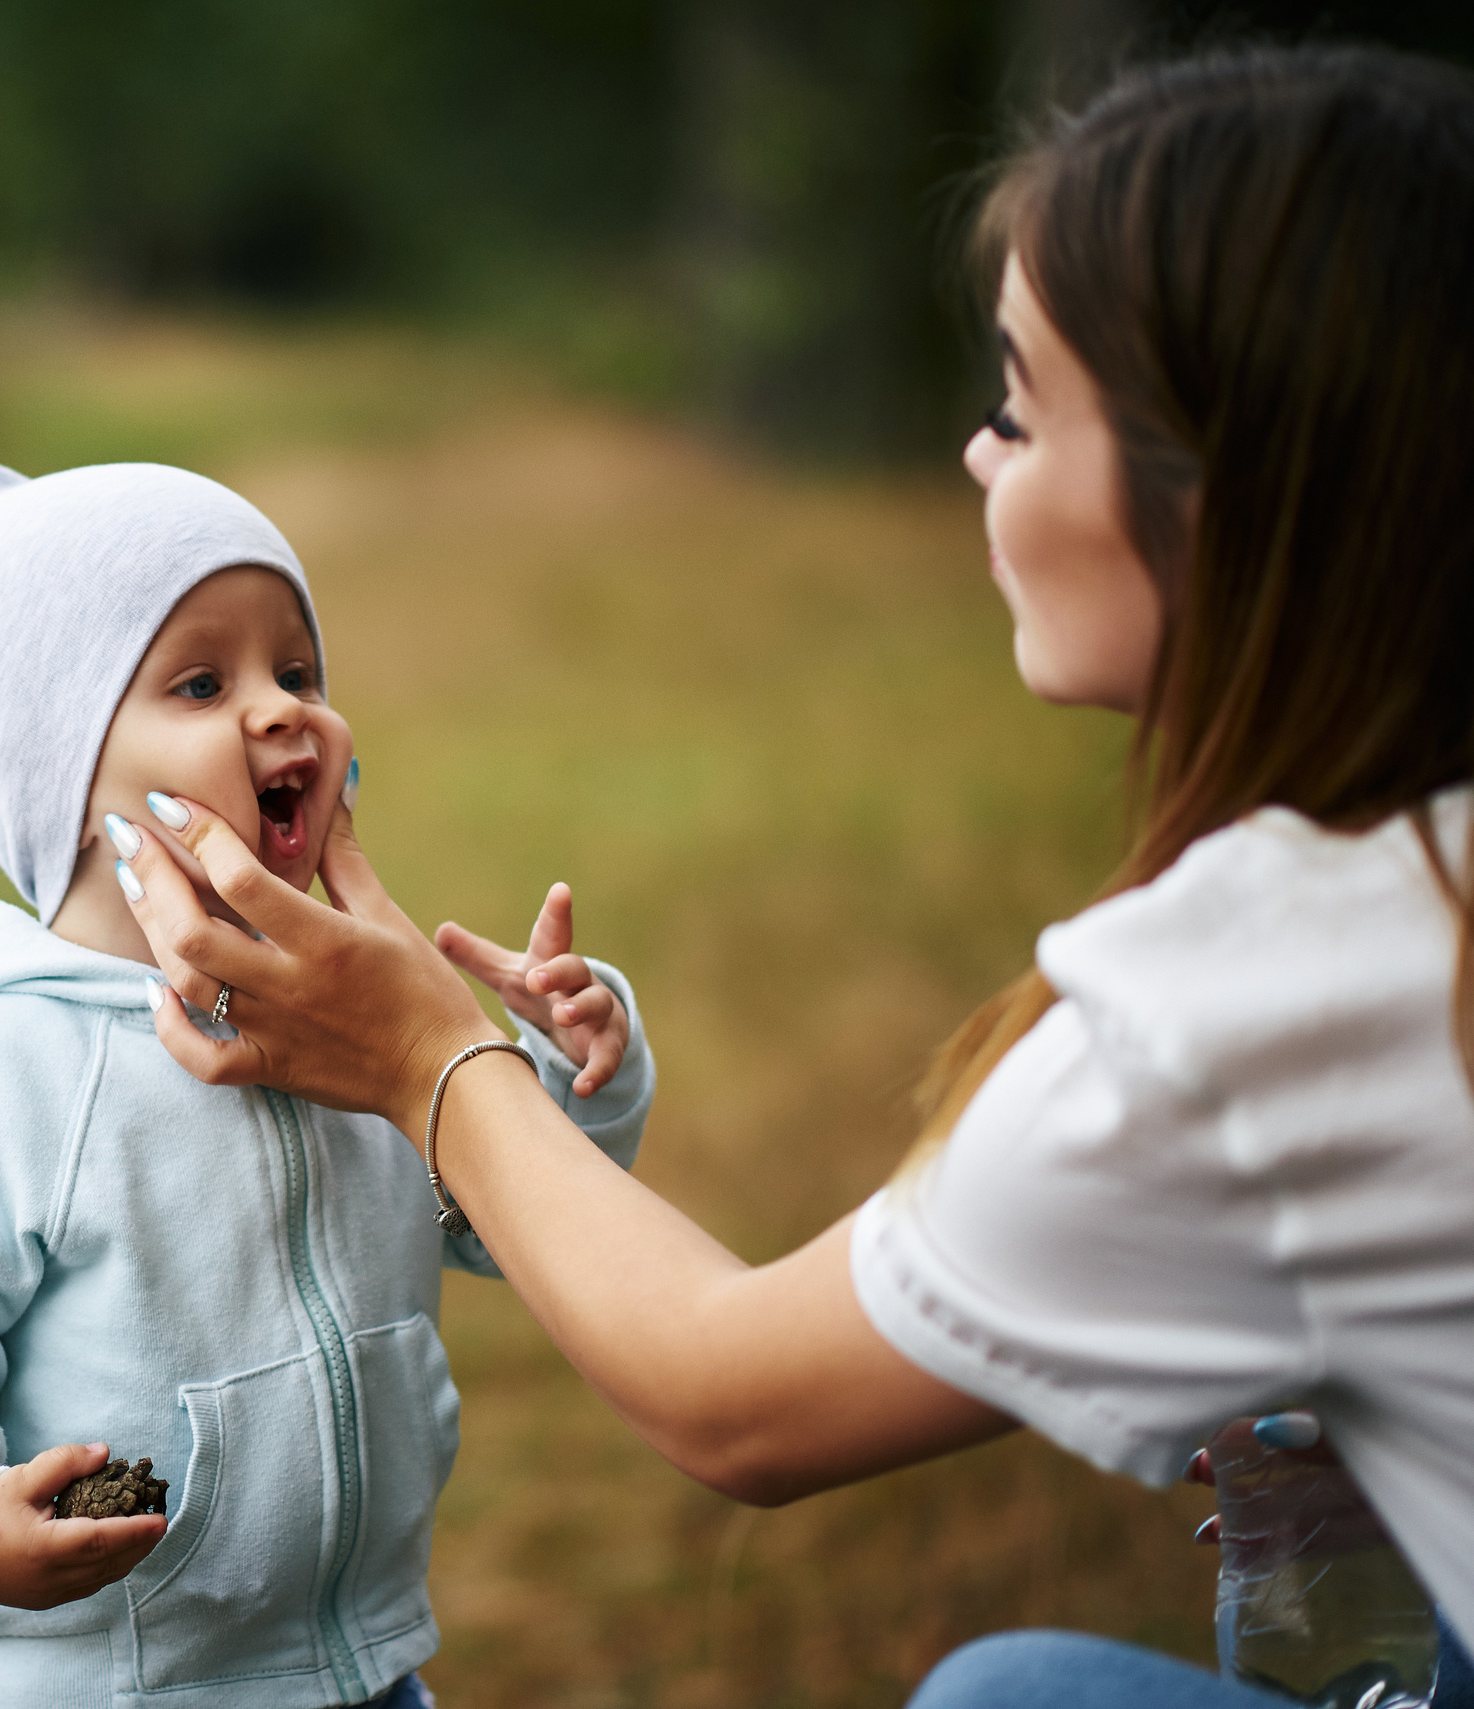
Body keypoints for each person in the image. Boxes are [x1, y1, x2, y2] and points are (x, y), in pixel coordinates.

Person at [94, 45, 1474, 1709]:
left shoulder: (1267, 999)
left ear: (1233, 486)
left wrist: (425, 1054)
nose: (978, 458)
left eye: (1022, 407)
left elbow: (733, 1394)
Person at [0, 461, 652, 1709]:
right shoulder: (7, 1055)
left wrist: (567, 1072)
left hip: (366, 1662)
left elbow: (496, 1224)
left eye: (297, 670)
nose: (282, 709)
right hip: (123, 1683)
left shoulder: (352, 1001)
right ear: (60, 777)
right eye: (202, 683)